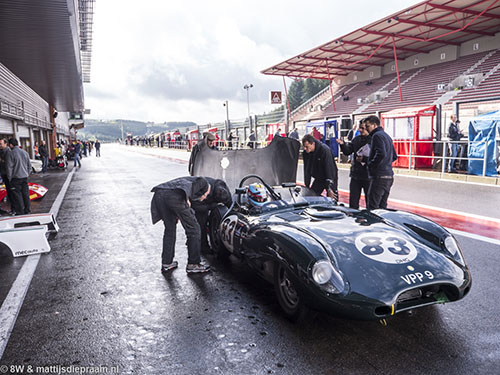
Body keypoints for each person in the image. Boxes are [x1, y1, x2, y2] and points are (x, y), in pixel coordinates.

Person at [150, 176, 211, 273]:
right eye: (205, 196)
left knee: (169, 229)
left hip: (159, 194)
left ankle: (167, 263)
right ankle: (193, 264)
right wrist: (186, 201)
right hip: (174, 196)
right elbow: (185, 193)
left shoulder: (188, 181)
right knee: (194, 229)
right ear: (206, 191)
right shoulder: (204, 183)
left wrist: (178, 212)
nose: (203, 199)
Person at [365, 115, 398, 210]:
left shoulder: (376, 136)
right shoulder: (387, 136)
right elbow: (394, 156)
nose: (367, 129)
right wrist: (386, 164)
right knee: (382, 207)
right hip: (388, 176)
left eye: (368, 126)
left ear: (374, 125)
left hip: (379, 176)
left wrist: (371, 164)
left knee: (373, 207)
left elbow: (381, 153)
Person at [191, 177, 232, 252]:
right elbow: (196, 206)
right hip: (200, 201)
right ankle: (202, 246)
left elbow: (229, 203)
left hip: (211, 199)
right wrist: (211, 206)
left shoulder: (224, 190)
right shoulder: (202, 190)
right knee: (201, 223)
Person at [337, 120, 371, 209]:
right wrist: (343, 144)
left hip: (369, 175)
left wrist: (365, 159)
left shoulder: (374, 140)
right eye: (360, 128)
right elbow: (348, 151)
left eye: (363, 128)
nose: (360, 130)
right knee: (353, 200)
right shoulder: (357, 139)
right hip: (356, 174)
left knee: (370, 201)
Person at [302, 134, 338, 200]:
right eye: (304, 146)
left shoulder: (324, 150)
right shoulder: (305, 153)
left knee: (332, 198)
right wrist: (307, 185)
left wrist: (329, 188)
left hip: (330, 175)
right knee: (311, 196)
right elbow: (306, 169)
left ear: (313, 144)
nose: (305, 148)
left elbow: (330, 169)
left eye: (307, 146)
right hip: (318, 178)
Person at [6, 138, 32, 215]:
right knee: (25, 194)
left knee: (17, 195)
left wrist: (9, 178)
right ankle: (27, 210)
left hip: (15, 178)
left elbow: (9, 167)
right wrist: (26, 174)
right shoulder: (25, 152)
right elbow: (29, 166)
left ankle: (20, 212)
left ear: (11, 145)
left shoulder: (10, 154)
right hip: (24, 177)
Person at [0, 138, 13, 214]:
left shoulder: (8, 152)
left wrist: (9, 177)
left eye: (1, 144)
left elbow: (8, 165)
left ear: (6, 144)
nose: (0, 145)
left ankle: (13, 209)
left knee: (10, 192)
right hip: (3, 174)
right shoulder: (1, 151)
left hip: (7, 175)